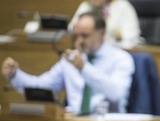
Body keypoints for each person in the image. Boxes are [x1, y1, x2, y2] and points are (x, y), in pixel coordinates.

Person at [2, 11, 134, 115]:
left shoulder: (121, 59)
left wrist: (84, 68)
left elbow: (116, 94)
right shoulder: (71, 60)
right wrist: (15, 75)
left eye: (85, 35)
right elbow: (42, 87)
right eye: (77, 36)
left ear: (101, 34)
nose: (79, 41)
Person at [68, 0, 141, 49]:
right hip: (88, 49)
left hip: (116, 50)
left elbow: (134, 34)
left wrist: (119, 35)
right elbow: (71, 28)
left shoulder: (122, 6)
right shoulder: (86, 6)